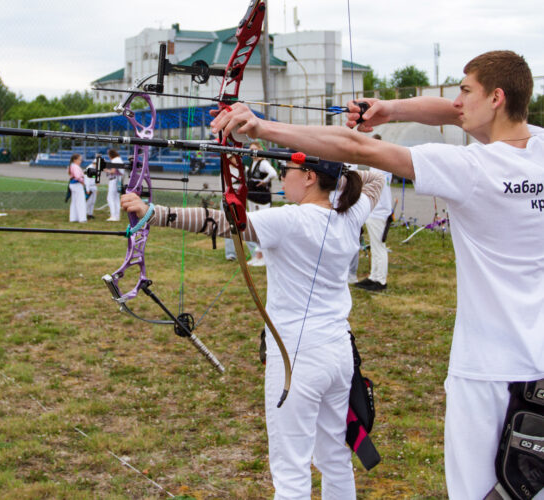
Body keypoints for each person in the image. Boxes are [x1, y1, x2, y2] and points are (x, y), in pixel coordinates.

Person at [210, 50, 544, 500]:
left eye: (465, 91)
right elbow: (466, 111)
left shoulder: (472, 168)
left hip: (487, 373)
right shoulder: (538, 148)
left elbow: (358, 148)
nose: (456, 102)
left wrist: (262, 127)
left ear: (497, 98)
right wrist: (390, 110)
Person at [121, 158, 384, 499]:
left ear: (309, 177)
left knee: (291, 471)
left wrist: (152, 213)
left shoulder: (290, 219)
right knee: (335, 457)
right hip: (338, 354)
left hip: (296, 359)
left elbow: (218, 222)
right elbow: (376, 176)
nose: (282, 176)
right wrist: (340, 173)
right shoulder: (350, 213)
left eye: (287, 169)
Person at [354, 134, 393, 292]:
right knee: (375, 247)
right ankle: (374, 276)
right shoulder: (379, 164)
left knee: (379, 247)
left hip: (379, 212)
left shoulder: (380, 166)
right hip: (375, 210)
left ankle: (380, 280)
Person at [245, 141, 279, 266]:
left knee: (263, 226)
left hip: (261, 197)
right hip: (252, 196)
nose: (253, 152)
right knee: (254, 225)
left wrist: (264, 181)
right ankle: (258, 255)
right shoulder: (252, 163)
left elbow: (273, 173)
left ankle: (264, 256)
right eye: (251, 150)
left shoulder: (263, 163)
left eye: (255, 149)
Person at [67, 153, 87, 223]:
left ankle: (73, 218)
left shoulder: (71, 166)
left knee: (74, 201)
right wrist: (82, 181)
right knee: (81, 202)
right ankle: (82, 218)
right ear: (75, 160)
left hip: (73, 184)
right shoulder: (75, 166)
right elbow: (78, 176)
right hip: (77, 184)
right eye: (79, 160)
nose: (80, 161)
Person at [105, 149, 123, 221]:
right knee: (116, 198)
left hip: (114, 180)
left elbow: (112, 171)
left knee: (110, 198)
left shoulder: (115, 160)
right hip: (119, 180)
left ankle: (113, 215)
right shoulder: (119, 159)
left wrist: (106, 170)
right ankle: (117, 216)